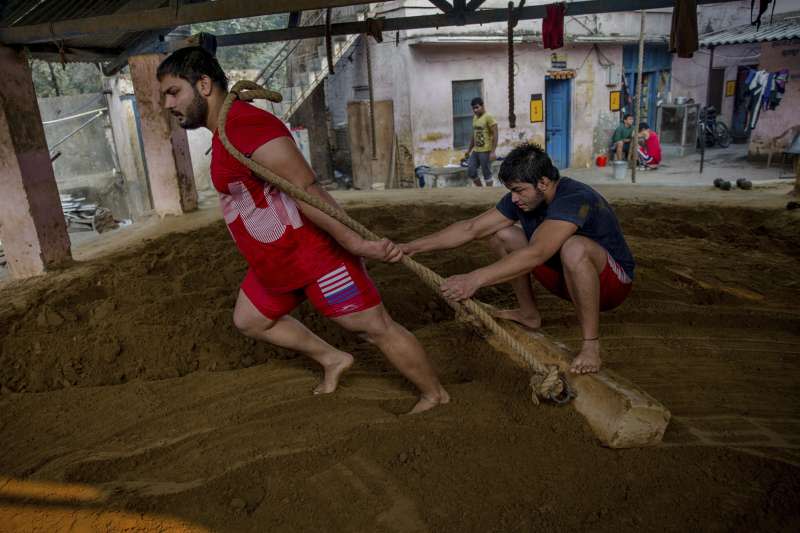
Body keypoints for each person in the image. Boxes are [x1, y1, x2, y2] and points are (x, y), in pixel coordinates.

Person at [157, 47, 448, 414]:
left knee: (375, 328)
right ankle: (333, 358)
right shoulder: (225, 132)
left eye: (173, 92)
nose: (167, 104)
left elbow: (306, 188)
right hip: (276, 261)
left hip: (316, 258)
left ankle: (435, 394)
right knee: (250, 320)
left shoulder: (248, 126)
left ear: (203, 84)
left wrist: (355, 242)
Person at [401, 143, 635, 374]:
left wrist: (474, 279)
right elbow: (470, 228)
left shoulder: (575, 197)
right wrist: (411, 247)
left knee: (574, 248)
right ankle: (528, 313)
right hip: (564, 277)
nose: (514, 198)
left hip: (610, 285)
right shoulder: (524, 199)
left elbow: (537, 253)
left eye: (519, 190)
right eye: (511, 191)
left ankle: (591, 345)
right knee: (502, 235)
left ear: (543, 183)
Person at [464, 97, 499, 187]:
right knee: (471, 171)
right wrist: (468, 150)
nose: (475, 110)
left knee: (486, 173)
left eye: (477, 107)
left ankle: (488, 193)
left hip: (486, 151)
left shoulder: (488, 117)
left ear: (482, 106)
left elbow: (495, 134)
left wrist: (493, 151)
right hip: (476, 151)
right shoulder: (475, 118)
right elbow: (474, 135)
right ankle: (481, 190)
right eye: (473, 108)